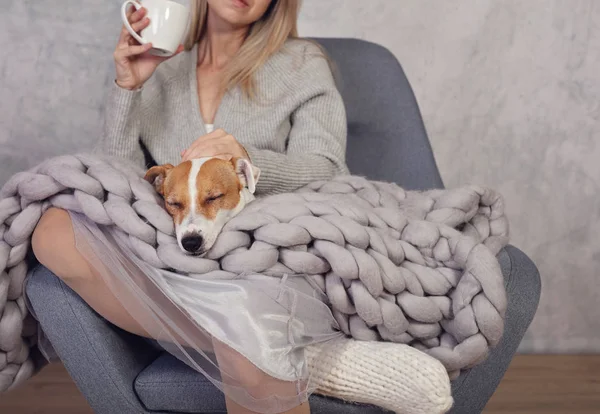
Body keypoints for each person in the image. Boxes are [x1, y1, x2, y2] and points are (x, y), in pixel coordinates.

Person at [32, 0, 350, 413]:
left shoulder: (301, 63)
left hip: (259, 265)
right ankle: (240, 335)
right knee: (55, 229)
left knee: (249, 336)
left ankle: (252, 336)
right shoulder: (163, 70)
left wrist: (247, 160)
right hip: (178, 271)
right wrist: (128, 87)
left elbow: (330, 173)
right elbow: (112, 188)